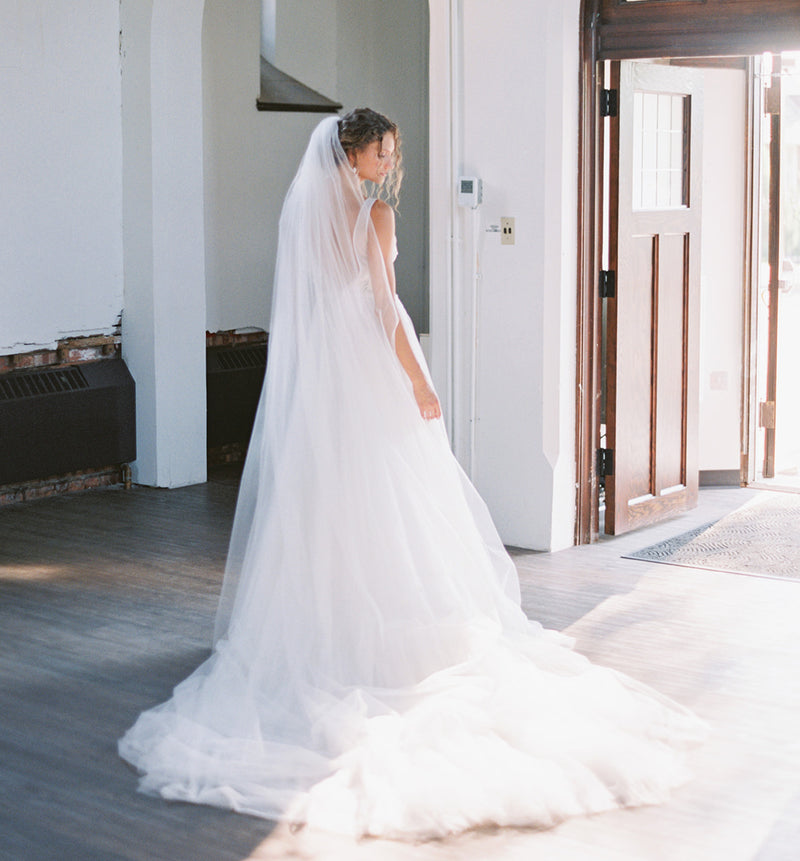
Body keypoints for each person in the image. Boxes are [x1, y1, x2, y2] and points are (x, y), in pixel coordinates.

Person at [119, 110, 705, 839]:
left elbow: (314, 308)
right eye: (382, 149)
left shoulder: (303, 212)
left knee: (337, 503)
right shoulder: (374, 212)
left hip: (324, 387)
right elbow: (383, 308)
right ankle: (392, 635)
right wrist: (419, 384)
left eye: (391, 150)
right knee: (397, 499)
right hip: (368, 372)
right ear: (355, 150)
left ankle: (332, 630)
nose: (389, 160)